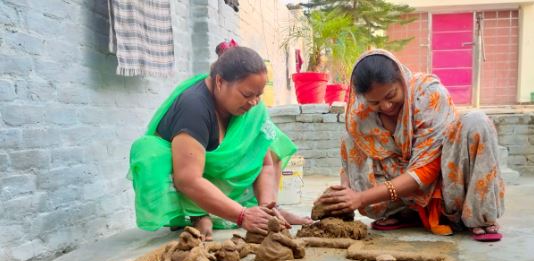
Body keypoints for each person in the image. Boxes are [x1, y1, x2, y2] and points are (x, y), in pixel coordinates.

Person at [316, 49, 505, 242]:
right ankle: (404, 213)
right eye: (375, 102)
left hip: (445, 185)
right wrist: (343, 195)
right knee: (351, 137)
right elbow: (350, 165)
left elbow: (426, 170)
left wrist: (362, 198)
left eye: (391, 95)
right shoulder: (363, 114)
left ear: (401, 78)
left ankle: (478, 217)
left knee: (476, 121)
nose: (386, 106)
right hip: (402, 195)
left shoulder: (428, 95)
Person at [129, 46, 310, 240]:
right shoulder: (194, 108)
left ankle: (260, 210)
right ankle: (197, 214)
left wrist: (268, 210)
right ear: (220, 82)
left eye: (259, 95)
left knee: (272, 142)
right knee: (152, 157)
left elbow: (265, 162)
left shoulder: (253, 109)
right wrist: (242, 216)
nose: (254, 102)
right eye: (247, 95)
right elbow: (187, 179)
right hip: (185, 176)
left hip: (208, 174)